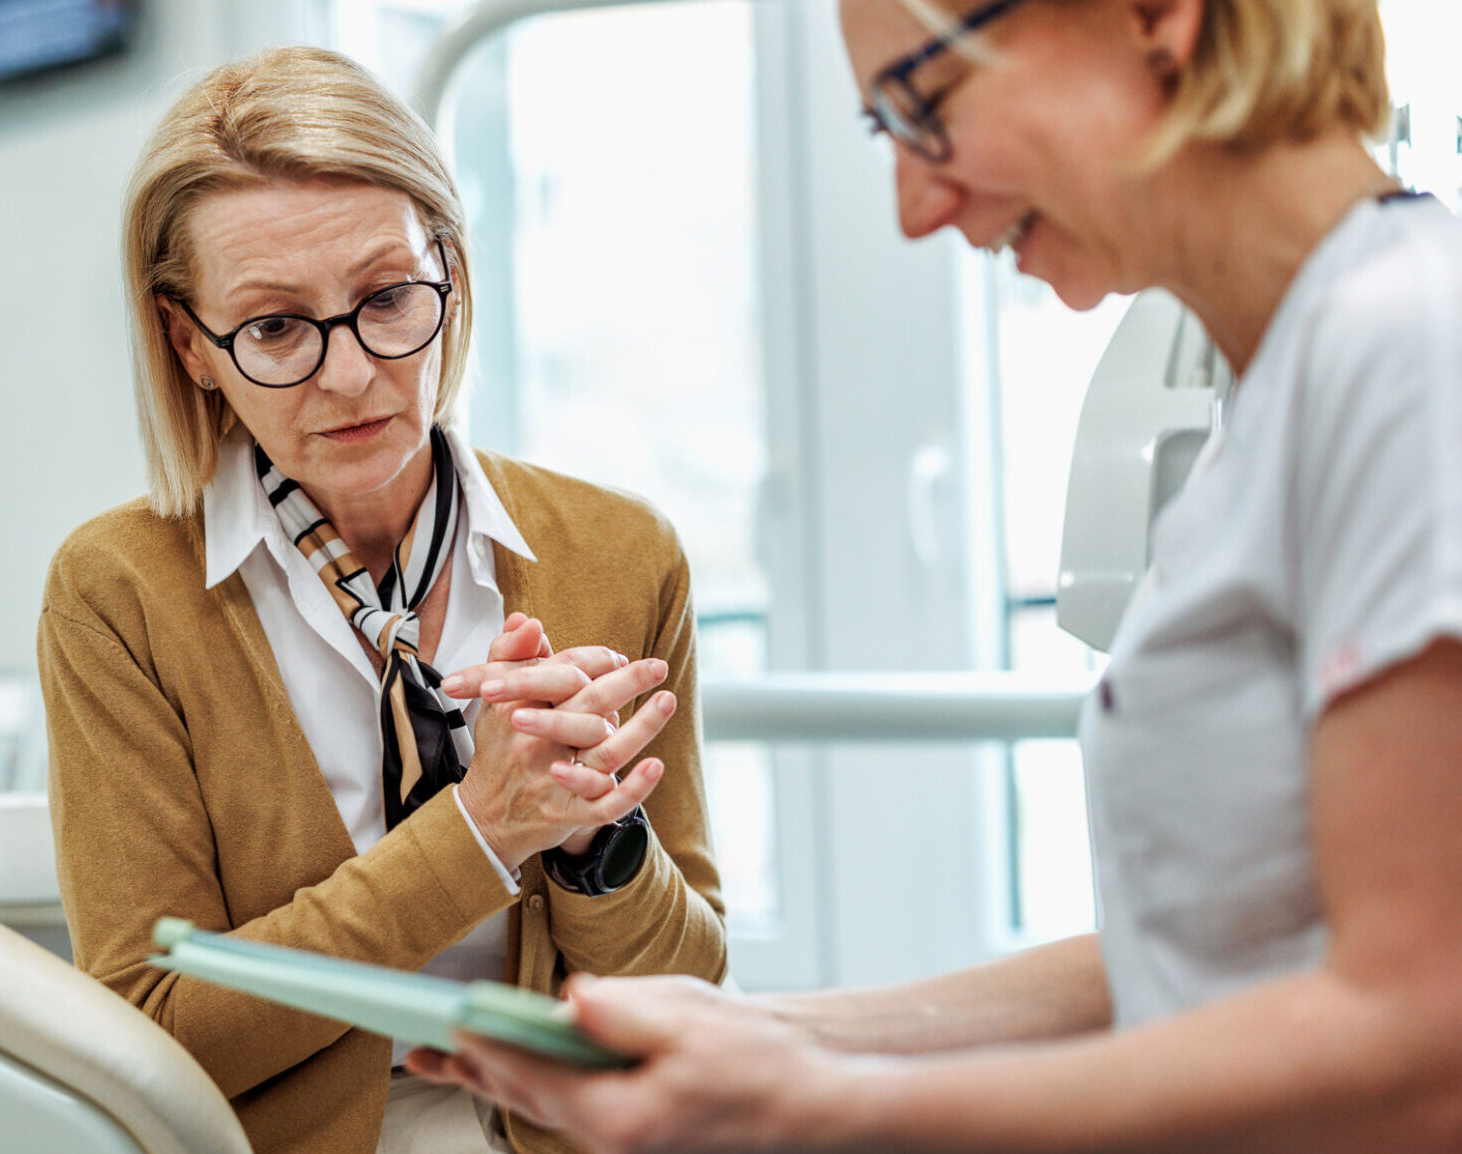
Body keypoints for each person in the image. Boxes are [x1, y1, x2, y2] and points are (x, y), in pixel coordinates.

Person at [409, 1, 1462, 1150]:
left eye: (921, 107)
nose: (915, 209)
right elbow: (1204, 948)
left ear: (1155, 18)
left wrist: (815, 1109)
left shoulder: (1401, 346)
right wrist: (764, 1031)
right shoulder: (1285, 387)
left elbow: (1420, 1034)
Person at [37, 46, 726, 1154]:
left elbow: (692, 991)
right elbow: (147, 1033)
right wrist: (476, 832)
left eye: (388, 297)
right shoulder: (117, 594)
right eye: (272, 328)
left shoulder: (621, 553)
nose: (350, 374)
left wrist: (599, 844)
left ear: (447, 272)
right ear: (189, 344)